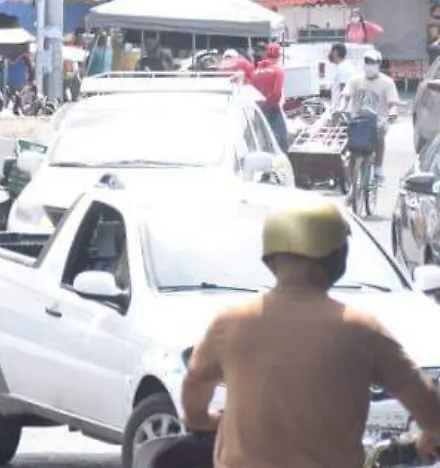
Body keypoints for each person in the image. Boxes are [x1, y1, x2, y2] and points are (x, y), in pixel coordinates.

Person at [180, 195, 440, 468]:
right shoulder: (362, 330)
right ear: (336, 255)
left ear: (271, 258)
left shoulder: (229, 323)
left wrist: (206, 420)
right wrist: (427, 438)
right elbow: (427, 404)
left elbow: (194, 393)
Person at [349, 50, 401, 176]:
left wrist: (392, 113)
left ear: (379, 64)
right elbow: (346, 95)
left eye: (373, 62)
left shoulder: (387, 82)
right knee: (351, 146)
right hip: (357, 120)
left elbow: (392, 103)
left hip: (377, 121)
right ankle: (351, 182)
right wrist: (341, 107)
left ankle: (378, 168)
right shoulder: (356, 80)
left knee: (379, 137)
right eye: (367, 62)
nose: (370, 65)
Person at [249, 42, 287, 148]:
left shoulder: (255, 72)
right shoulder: (278, 71)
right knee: (281, 142)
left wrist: (260, 108)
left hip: (257, 110)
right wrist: (268, 106)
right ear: (278, 56)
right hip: (272, 110)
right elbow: (276, 93)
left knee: (259, 141)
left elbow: (251, 91)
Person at [328, 42, 355, 113]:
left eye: (331, 51)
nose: (329, 54)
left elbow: (345, 89)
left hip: (342, 111)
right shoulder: (347, 66)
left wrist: (341, 109)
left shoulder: (342, 68)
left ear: (335, 53)